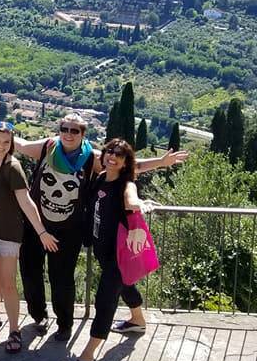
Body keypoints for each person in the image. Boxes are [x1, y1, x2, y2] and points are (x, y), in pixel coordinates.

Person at [16, 113, 186, 342]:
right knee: (29, 272)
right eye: (64, 128)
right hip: (36, 224)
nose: (68, 134)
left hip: (69, 229)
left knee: (62, 279)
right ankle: (39, 316)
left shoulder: (92, 158)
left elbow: (127, 166)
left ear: (82, 134)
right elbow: (20, 144)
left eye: (74, 130)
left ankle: (64, 324)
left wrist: (161, 163)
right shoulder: (48, 147)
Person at [67, 139, 153, 361]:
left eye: (119, 155)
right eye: (109, 152)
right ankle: (137, 320)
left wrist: (139, 205)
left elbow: (131, 198)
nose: (112, 157)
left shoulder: (126, 184)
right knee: (125, 284)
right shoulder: (100, 178)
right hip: (103, 251)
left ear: (126, 162)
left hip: (119, 254)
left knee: (105, 299)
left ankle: (88, 355)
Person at [0, 120, 58, 354]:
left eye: (6, 141)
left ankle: (15, 329)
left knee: (9, 283)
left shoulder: (12, 167)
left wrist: (41, 232)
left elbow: (26, 201)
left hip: (9, 234)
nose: (1, 146)